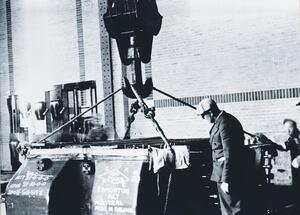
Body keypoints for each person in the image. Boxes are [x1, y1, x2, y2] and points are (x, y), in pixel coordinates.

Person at [197, 98, 247, 215]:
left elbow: (230, 153)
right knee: (227, 209)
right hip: (222, 171)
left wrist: (226, 179)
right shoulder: (220, 122)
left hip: (229, 174)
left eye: (203, 115)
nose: (202, 118)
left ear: (210, 112)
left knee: (232, 210)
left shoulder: (225, 123)